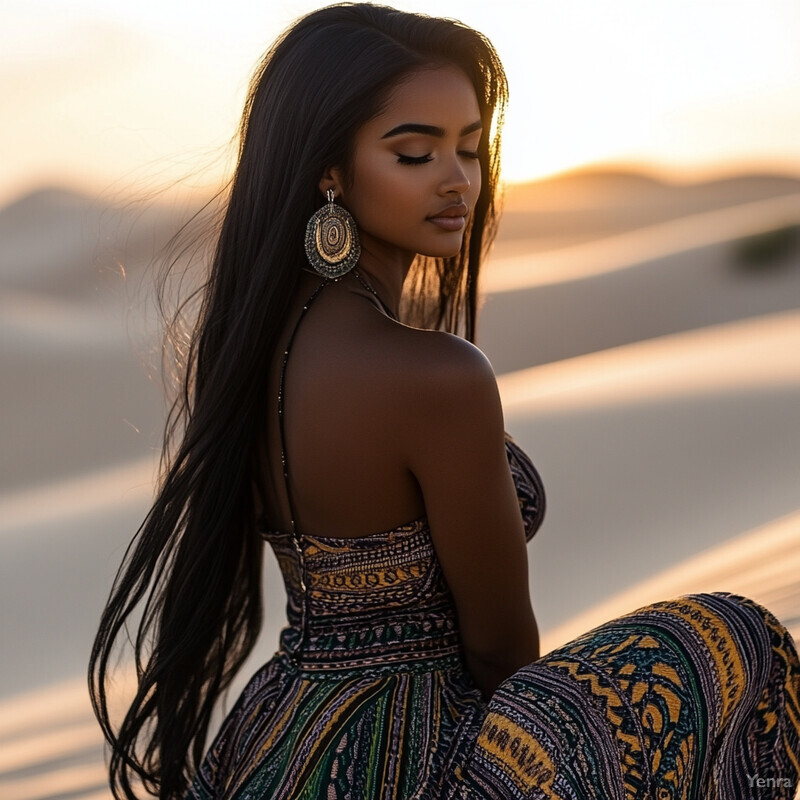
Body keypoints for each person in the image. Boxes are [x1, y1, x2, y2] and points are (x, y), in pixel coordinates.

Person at [89, 4, 800, 799]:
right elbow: (499, 648)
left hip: (275, 742)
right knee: (740, 640)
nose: (457, 178)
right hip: (420, 753)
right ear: (329, 169)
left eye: (470, 148)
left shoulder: (249, 352)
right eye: (416, 152)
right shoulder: (437, 376)